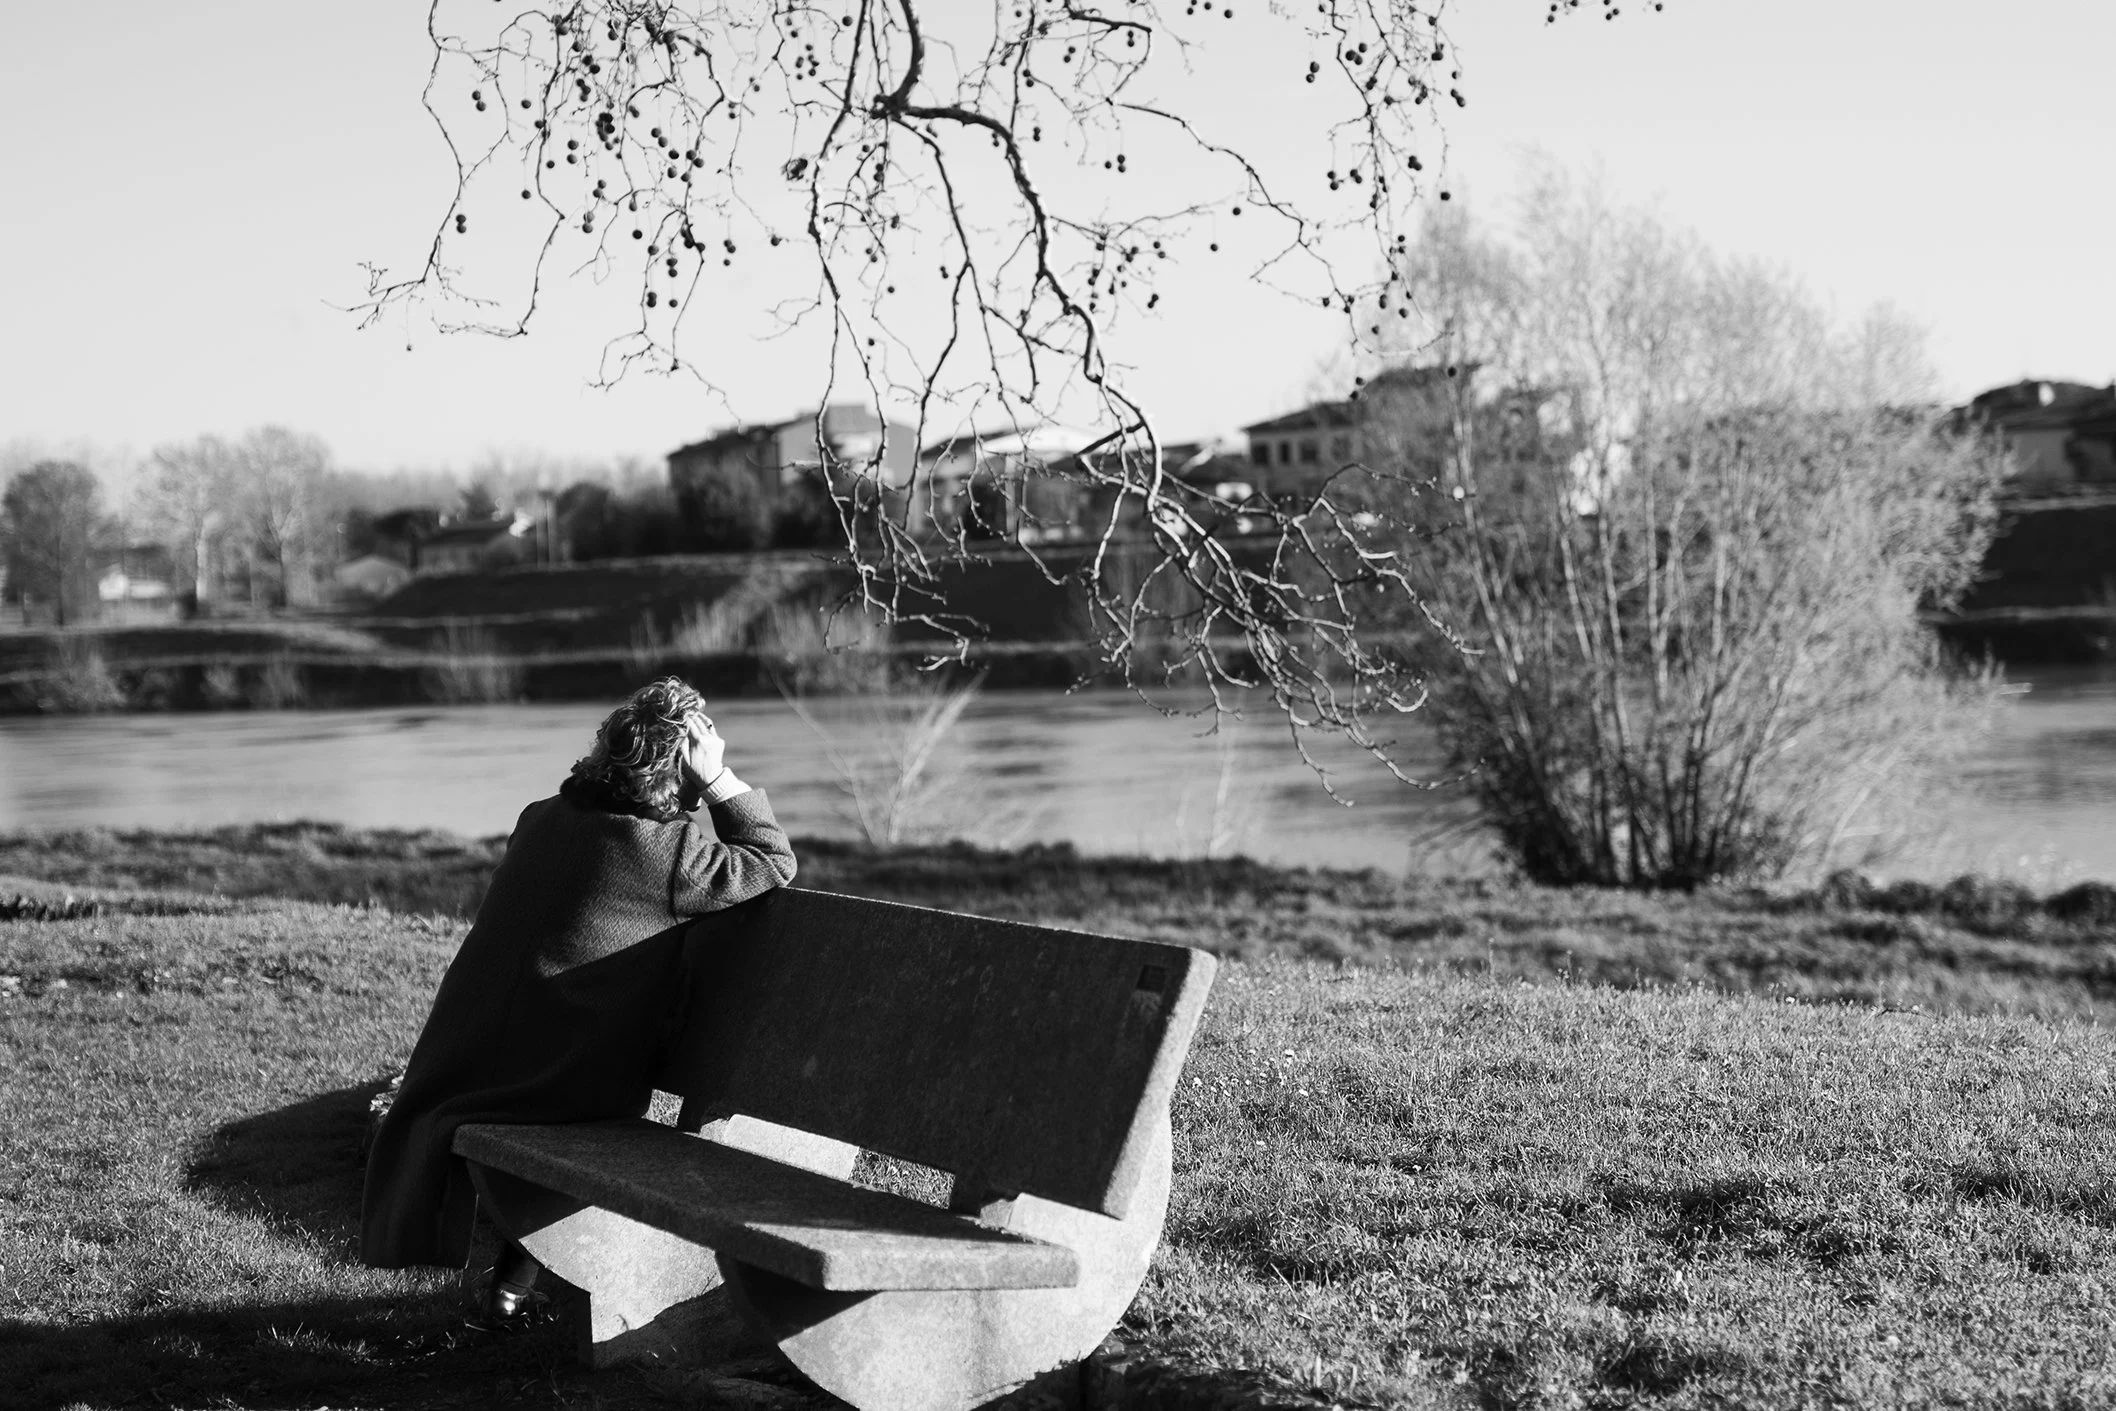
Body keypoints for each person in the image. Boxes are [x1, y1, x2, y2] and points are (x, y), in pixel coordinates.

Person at [359, 676, 796, 1318]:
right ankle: (515, 1285)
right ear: (680, 767)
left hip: (484, 1064)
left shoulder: (541, 818)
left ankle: (512, 1287)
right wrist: (719, 780)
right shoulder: (668, 854)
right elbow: (773, 861)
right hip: (565, 1082)